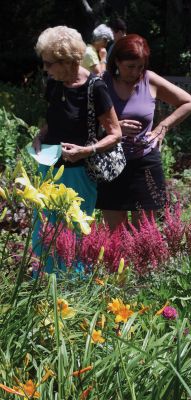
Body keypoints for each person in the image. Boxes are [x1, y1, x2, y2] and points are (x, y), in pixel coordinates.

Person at [32, 25, 121, 272]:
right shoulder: (53, 84)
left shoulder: (95, 87)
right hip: (48, 169)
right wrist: (39, 137)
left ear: (67, 61)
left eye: (49, 64)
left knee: (75, 235)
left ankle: (73, 294)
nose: (45, 69)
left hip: (79, 173)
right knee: (45, 232)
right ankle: (44, 288)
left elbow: (116, 134)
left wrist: (86, 150)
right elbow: (52, 120)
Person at [96, 34, 191, 231]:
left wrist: (162, 127)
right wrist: (113, 128)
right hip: (111, 162)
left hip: (145, 163)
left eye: (140, 66)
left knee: (144, 232)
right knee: (115, 233)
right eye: (130, 67)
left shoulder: (149, 80)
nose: (136, 72)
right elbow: (84, 121)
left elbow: (189, 102)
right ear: (117, 61)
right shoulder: (101, 83)